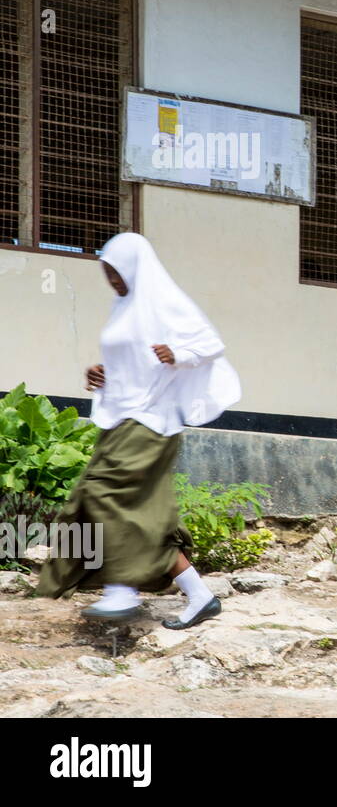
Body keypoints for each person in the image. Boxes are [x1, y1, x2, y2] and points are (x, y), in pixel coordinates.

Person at [37, 233, 240, 629]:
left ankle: (121, 589)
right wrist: (101, 374)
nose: (112, 280)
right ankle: (200, 597)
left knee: (104, 493)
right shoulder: (123, 307)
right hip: (120, 418)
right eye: (107, 273)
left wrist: (179, 354)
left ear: (135, 267)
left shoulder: (165, 301)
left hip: (152, 421)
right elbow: (133, 362)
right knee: (137, 516)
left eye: (116, 272)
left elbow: (211, 344)